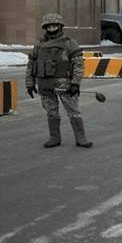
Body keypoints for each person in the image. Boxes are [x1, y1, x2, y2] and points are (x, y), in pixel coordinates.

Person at [25, 13, 93, 148]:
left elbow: (78, 64)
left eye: (55, 26)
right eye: (49, 26)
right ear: (45, 28)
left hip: (65, 84)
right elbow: (31, 64)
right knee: (51, 111)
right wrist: (30, 83)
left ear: (60, 27)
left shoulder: (69, 43)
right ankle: (54, 137)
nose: (52, 29)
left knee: (73, 111)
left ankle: (81, 138)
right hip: (45, 84)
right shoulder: (39, 44)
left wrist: (75, 83)